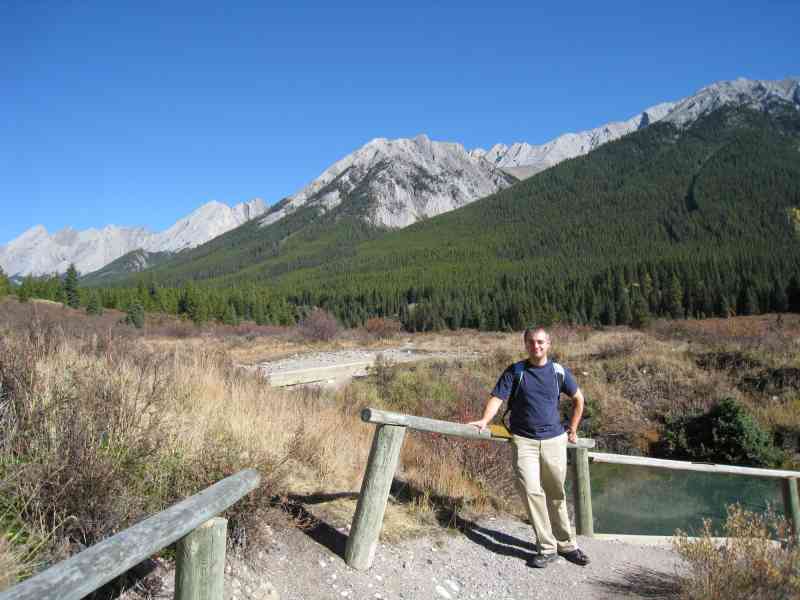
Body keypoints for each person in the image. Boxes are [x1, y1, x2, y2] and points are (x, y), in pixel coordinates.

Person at [468, 326, 590, 568]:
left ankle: (567, 544)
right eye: (532, 342)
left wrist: (573, 429)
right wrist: (484, 420)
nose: (536, 346)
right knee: (531, 492)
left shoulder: (559, 372)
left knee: (556, 494)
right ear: (525, 344)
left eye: (541, 342)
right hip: (524, 441)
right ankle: (547, 547)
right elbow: (497, 398)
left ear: (549, 344)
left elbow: (578, 399)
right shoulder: (516, 371)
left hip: (555, 440)